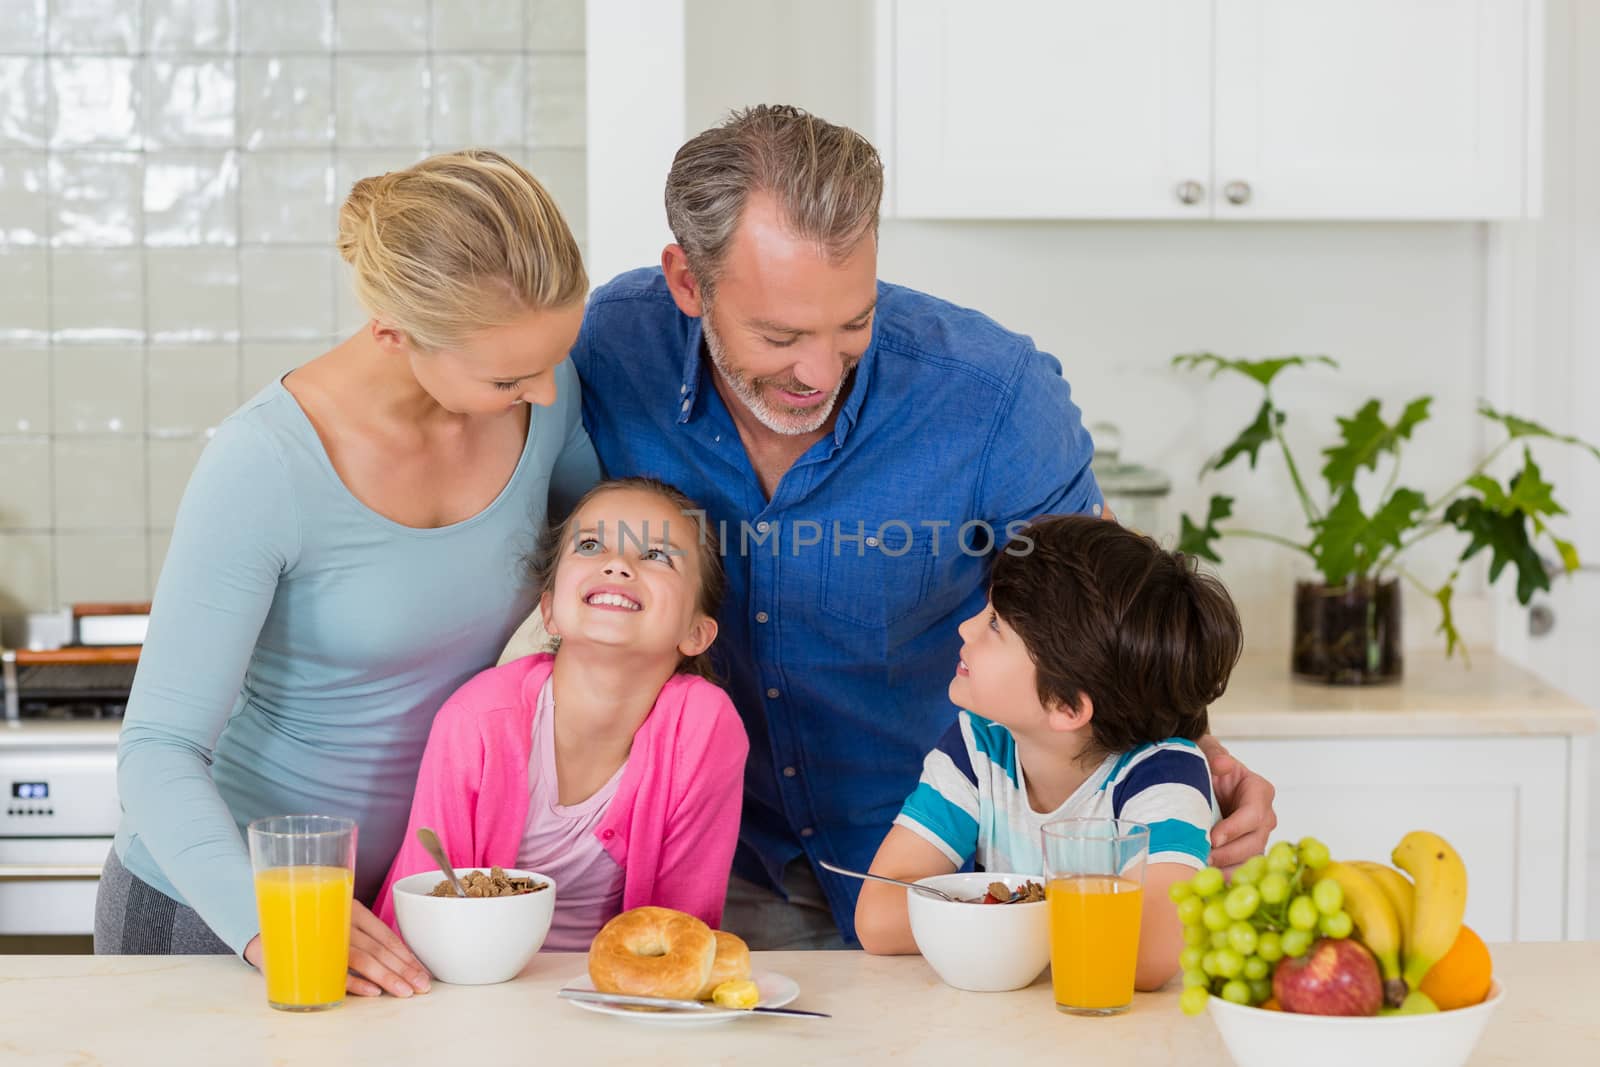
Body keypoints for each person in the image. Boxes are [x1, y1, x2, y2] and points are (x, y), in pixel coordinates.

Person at [565, 105, 1277, 948]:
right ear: (687, 282)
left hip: (948, 883)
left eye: (853, 323)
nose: (820, 373)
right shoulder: (609, 349)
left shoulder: (991, 395)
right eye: (779, 335)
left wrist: (1197, 753)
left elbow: (1098, 616)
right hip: (696, 867)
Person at [98, 151, 601, 999]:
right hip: (228, 911)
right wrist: (270, 917)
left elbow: (608, 558)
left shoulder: (541, 396)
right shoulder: (266, 465)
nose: (546, 394)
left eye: (555, 359)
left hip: (429, 900)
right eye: (510, 377)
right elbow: (157, 750)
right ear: (394, 332)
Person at [854, 516, 1243, 990]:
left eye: (995, 625)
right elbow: (878, 916)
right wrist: (1067, 923)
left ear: (1065, 705)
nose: (966, 628)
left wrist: (998, 911)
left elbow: (1144, 952)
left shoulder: (1164, 775)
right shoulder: (978, 749)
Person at [373, 477, 749, 948]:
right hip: (454, 983)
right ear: (548, 610)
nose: (617, 564)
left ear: (696, 633)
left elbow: (680, 934)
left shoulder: (703, 728)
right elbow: (425, 912)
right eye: (591, 545)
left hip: (615, 999)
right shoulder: (479, 719)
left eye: (657, 556)